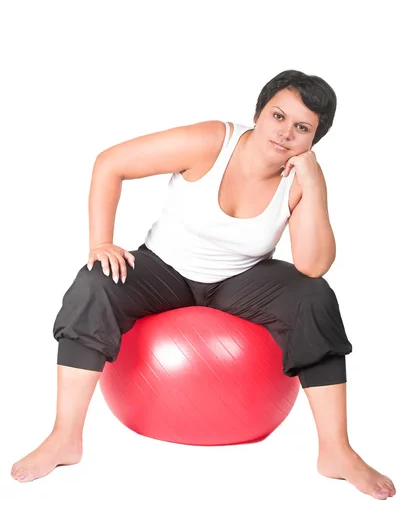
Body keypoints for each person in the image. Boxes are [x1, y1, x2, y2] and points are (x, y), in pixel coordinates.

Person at [11, 70, 396, 500]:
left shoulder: (298, 179)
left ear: (314, 140)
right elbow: (110, 163)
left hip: (242, 279)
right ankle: (65, 437)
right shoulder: (213, 141)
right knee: (94, 284)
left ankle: (336, 451)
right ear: (259, 113)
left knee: (314, 298)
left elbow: (312, 266)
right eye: (278, 116)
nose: (286, 133)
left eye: (302, 128)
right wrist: (101, 241)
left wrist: (314, 183)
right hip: (163, 269)